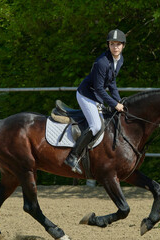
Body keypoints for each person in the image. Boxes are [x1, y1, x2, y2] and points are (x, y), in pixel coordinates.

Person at [64, 29, 126, 174]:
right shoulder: (101, 62)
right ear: (108, 45)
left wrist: (118, 99)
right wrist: (114, 104)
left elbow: (112, 83)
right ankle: (73, 156)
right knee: (96, 126)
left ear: (123, 45)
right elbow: (98, 88)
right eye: (112, 44)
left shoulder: (120, 60)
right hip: (86, 95)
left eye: (118, 44)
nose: (115, 47)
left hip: (97, 95)